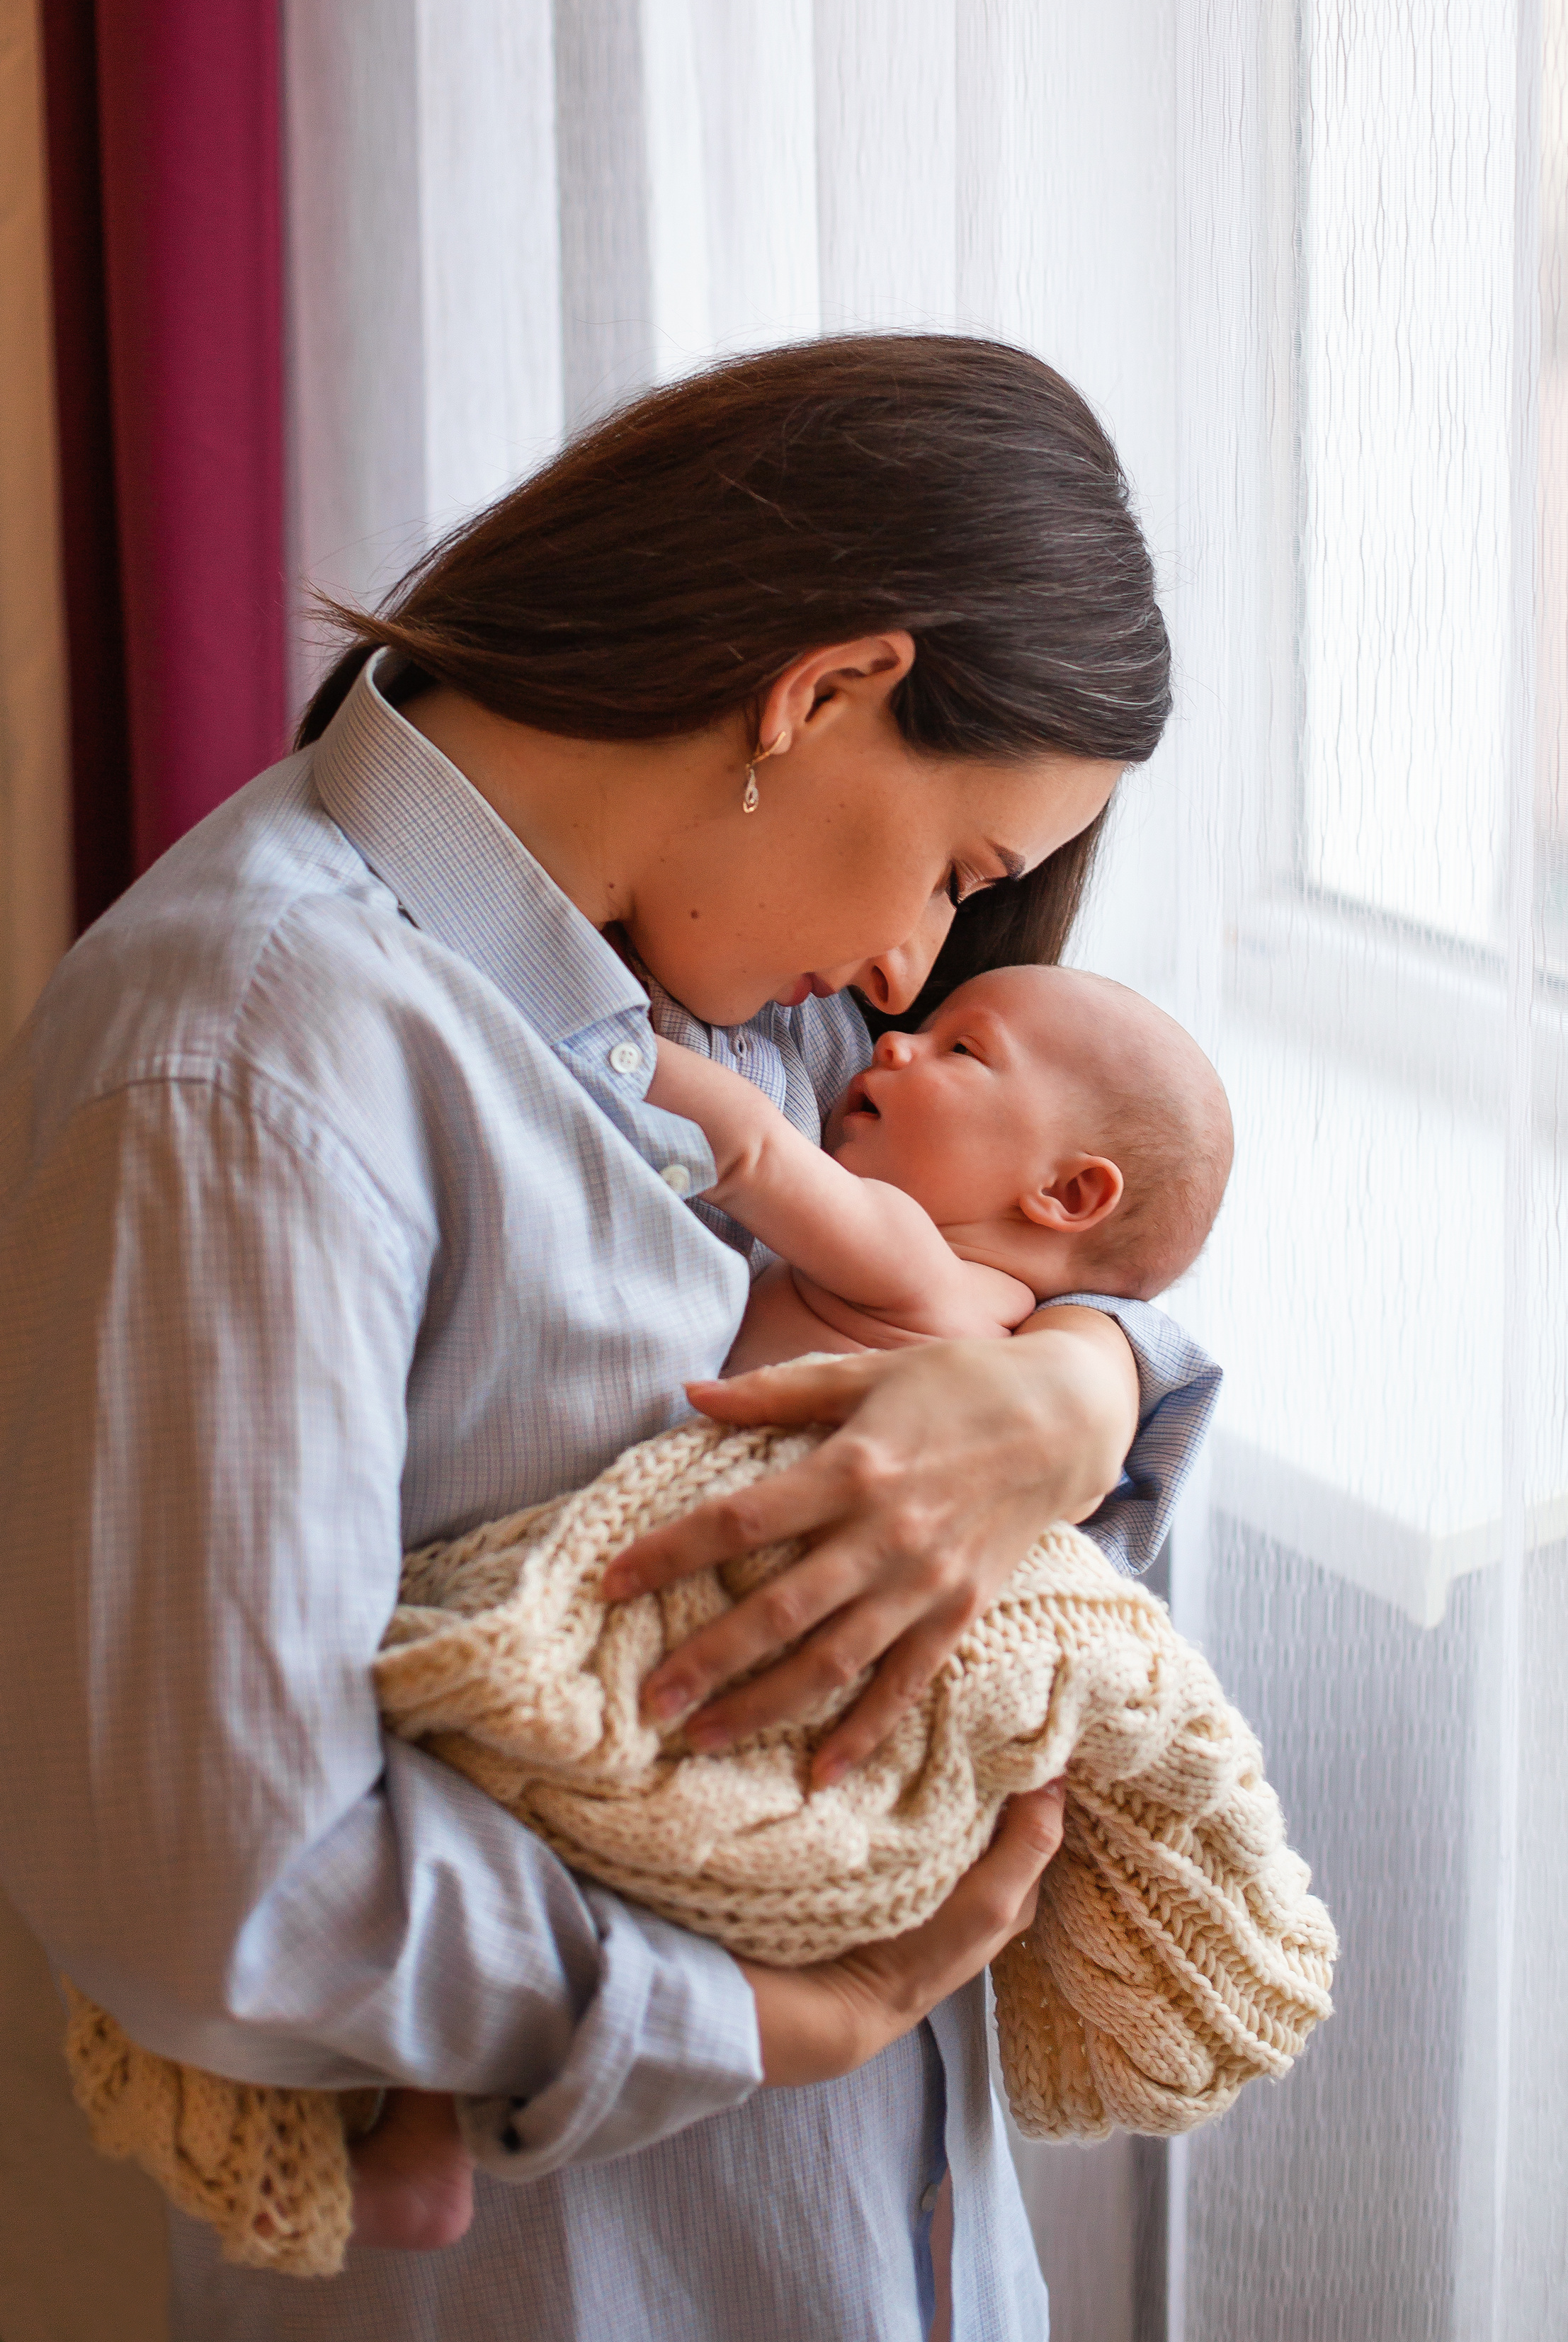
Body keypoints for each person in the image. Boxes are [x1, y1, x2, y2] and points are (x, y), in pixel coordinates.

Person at [0, 335, 1221, 2342]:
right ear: (824, 689)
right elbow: (206, 1878)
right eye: (956, 872)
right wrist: (766, 2022)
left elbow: (1081, 1223)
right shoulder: (249, 1061)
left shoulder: (785, 1007)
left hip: (910, 2260)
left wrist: (1072, 1387)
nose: (923, 964)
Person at [343, 960, 1234, 2249]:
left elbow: (753, 1147)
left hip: (726, 1613)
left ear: (1065, 1191)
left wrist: (604, 1049)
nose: (898, 1045)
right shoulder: (1023, 1334)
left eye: (961, 1050)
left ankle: (426, 2122)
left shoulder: (926, 1271)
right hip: (781, 1640)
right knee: (537, 1841)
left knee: (485, 1779)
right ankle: (432, 2125)